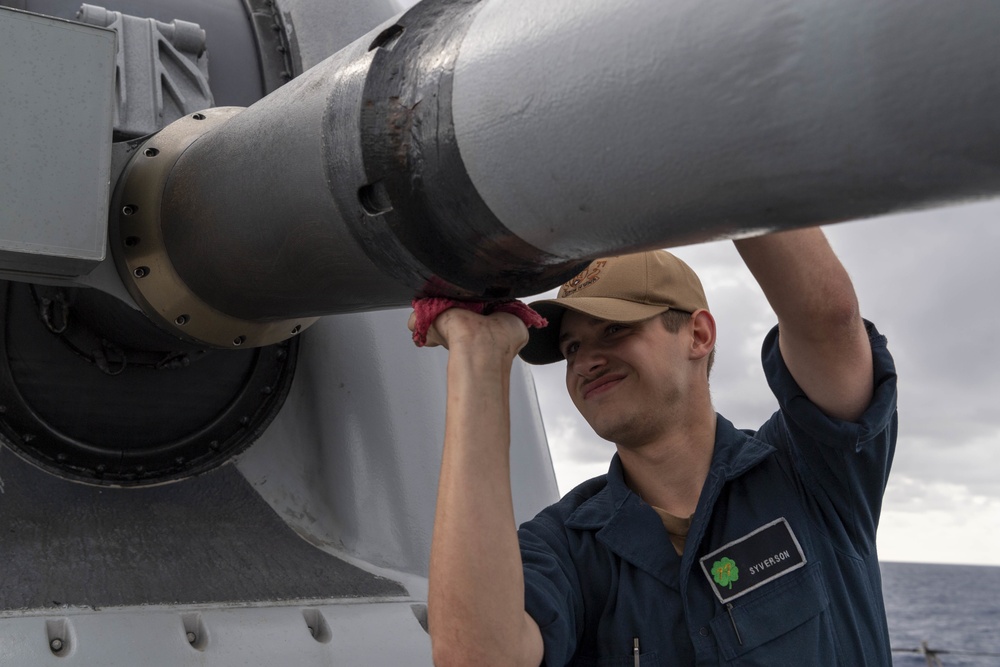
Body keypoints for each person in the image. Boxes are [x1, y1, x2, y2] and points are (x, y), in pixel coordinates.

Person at [410, 228, 897, 666]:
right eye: (571, 348)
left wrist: (729, 153)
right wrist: (480, 352)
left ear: (699, 334)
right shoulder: (564, 547)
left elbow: (828, 322)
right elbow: (476, 657)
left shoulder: (807, 471)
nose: (586, 362)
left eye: (615, 329)